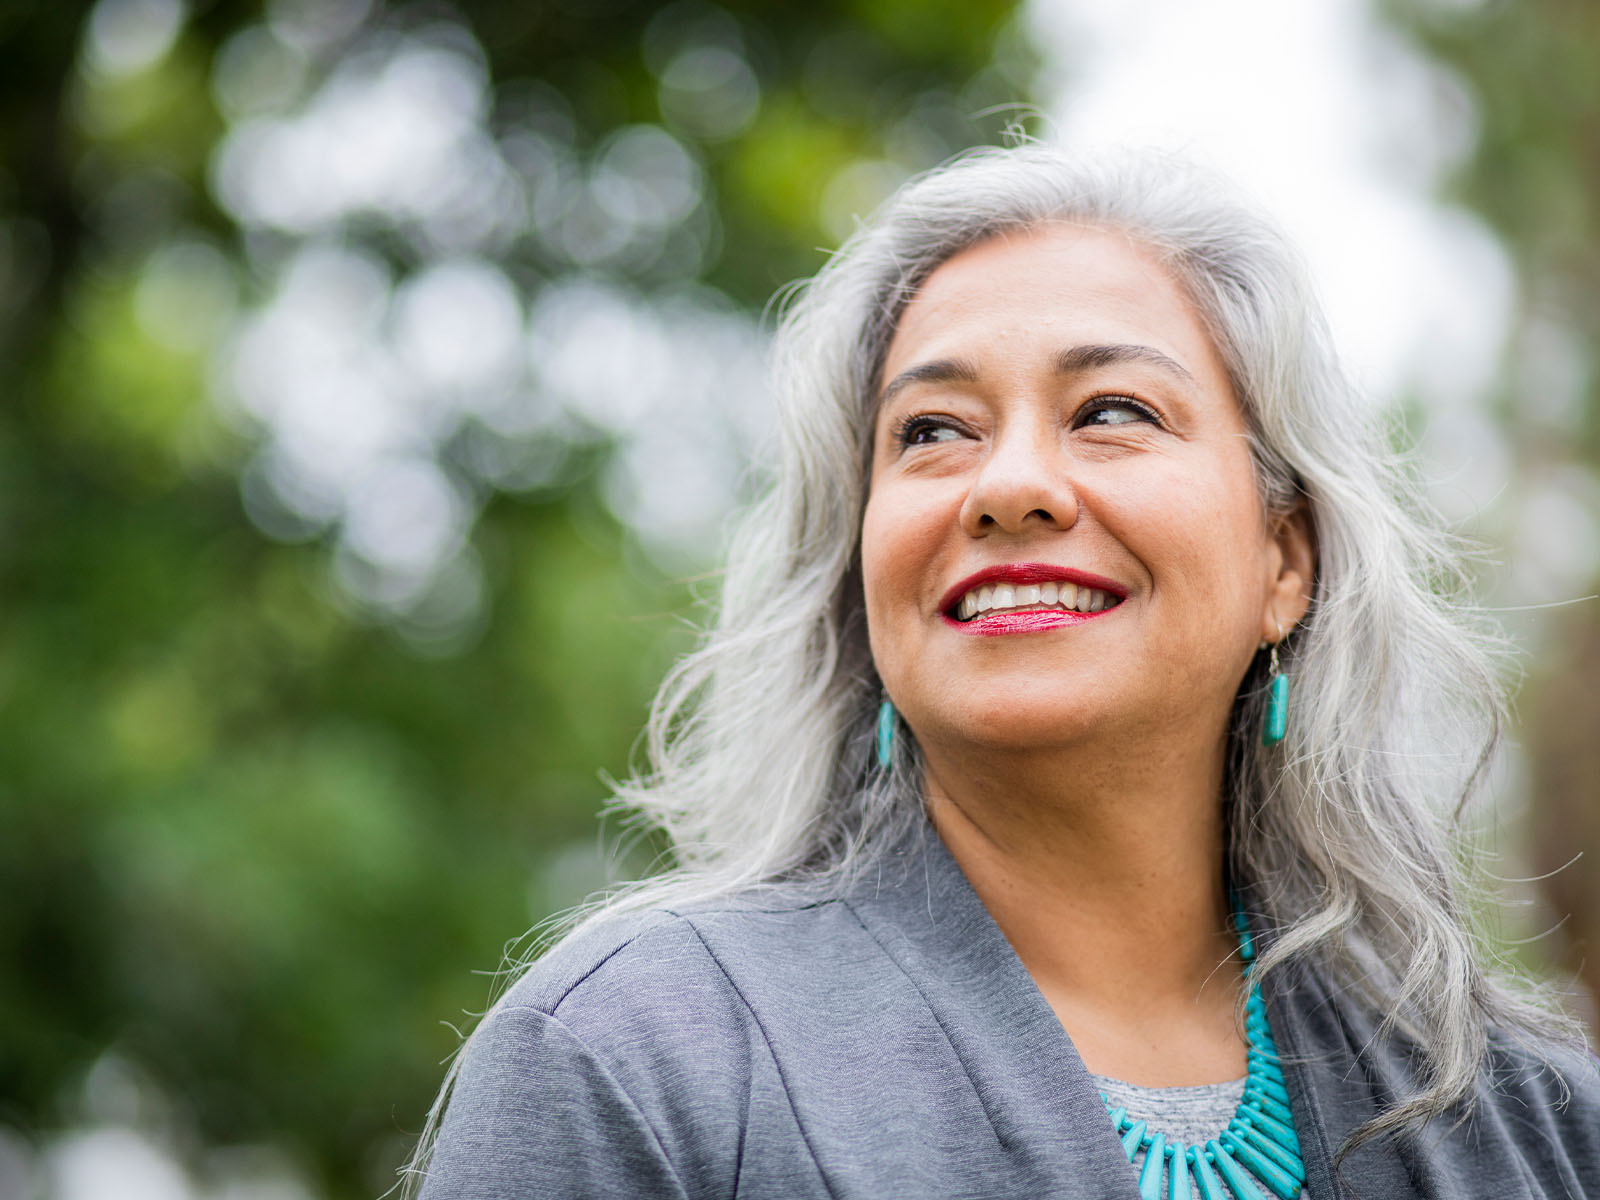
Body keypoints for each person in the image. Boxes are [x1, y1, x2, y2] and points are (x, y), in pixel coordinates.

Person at [409, 146, 1600, 1199]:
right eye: (931, 431)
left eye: (1112, 410)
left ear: (1284, 561)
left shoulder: (1534, 1124)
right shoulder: (631, 1056)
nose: (1007, 484)